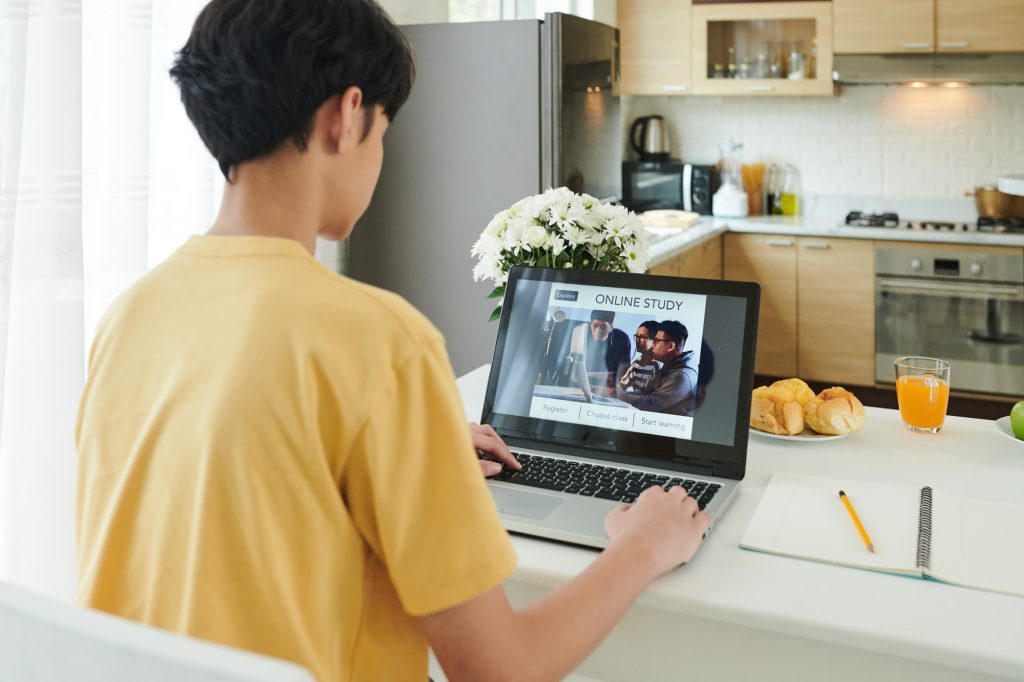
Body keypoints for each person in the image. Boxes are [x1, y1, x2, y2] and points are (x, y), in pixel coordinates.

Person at [75, 2, 712, 681]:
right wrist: (642, 546)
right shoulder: (380, 341)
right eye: (383, 132)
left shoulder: (129, 316)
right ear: (345, 116)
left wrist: (412, 447)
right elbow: (503, 668)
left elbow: (230, 487)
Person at [617, 320, 697, 415]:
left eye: (656, 341)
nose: (652, 345)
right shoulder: (669, 366)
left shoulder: (681, 375)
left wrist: (616, 394)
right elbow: (648, 394)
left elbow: (650, 403)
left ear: (670, 346)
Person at [579, 309, 631, 393]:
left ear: (611, 327)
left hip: (608, 389)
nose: (598, 330)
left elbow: (624, 373)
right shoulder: (581, 333)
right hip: (584, 385)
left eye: (603, 327)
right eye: (595, 325)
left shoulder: (622, 338)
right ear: (590, 324)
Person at [619, 320, 660, 394]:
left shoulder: (657, 365)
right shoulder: (636, 363)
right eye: (637, 336)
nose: (638, 340)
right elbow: (620, 387)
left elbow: (648, 397)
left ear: (655, 341)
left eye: (643, 337)